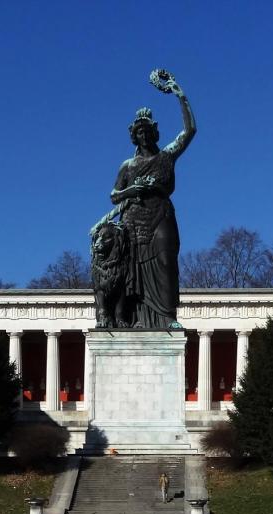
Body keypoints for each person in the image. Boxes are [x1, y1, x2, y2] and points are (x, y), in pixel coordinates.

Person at [109, 70, 196, 329]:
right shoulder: (128, 166)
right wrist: (132, 190)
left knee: (166, 262)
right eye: (139, 132)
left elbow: (190, 130)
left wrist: (179, 93)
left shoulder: (166, 156)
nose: (144, 135)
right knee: (131, 272)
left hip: (160, 215)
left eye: (147, 131)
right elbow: (114, 195)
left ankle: (168, 317)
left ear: (154, 133)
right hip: (133, 222)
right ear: (134, 136)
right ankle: (132, 318)